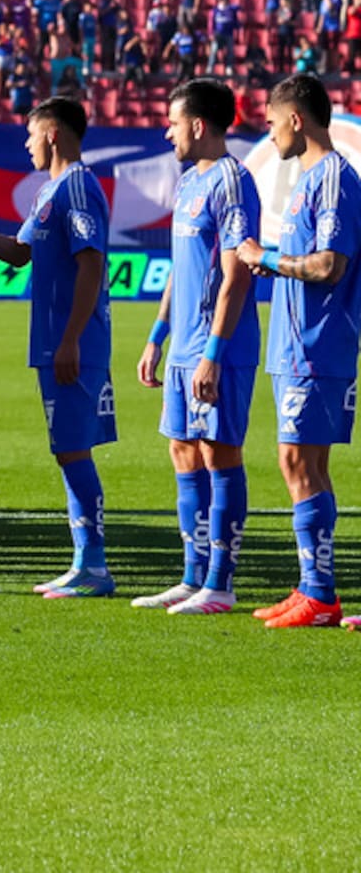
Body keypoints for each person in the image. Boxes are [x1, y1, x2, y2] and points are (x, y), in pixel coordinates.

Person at [0, 97, 116, 598]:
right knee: (67, 451)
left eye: (31, 134)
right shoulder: (49, 191)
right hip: (57, 340)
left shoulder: (77, 185)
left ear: (52, 133)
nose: (26, 143)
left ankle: (94, 566)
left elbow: (91, 263)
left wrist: (72, 337)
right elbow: (19, 252)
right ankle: (84, 563)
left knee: (74, 449)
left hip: (71, 341)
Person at [237, 75, 361, 628]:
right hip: (298, 347)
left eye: (270, 118)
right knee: (305, 462)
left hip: (318, 347)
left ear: (296, 120)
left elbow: (330, 265)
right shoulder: (309, 181)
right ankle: (316, 588)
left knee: (297, 461)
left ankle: (320, 594)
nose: (267, 128)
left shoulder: (334, 178)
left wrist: (268, 259)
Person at [135, 80, 260, 615]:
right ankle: (191, 577)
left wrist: (213, 352)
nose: (167, 131)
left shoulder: (232, 182)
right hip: (183, 346)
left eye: (172, 121)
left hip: (218, 348)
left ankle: (221, 583)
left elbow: (236, 277)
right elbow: (177, 274)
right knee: (182, 449)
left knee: (218, 453)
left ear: (198, 125)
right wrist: (156, 338)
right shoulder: (189, 183)